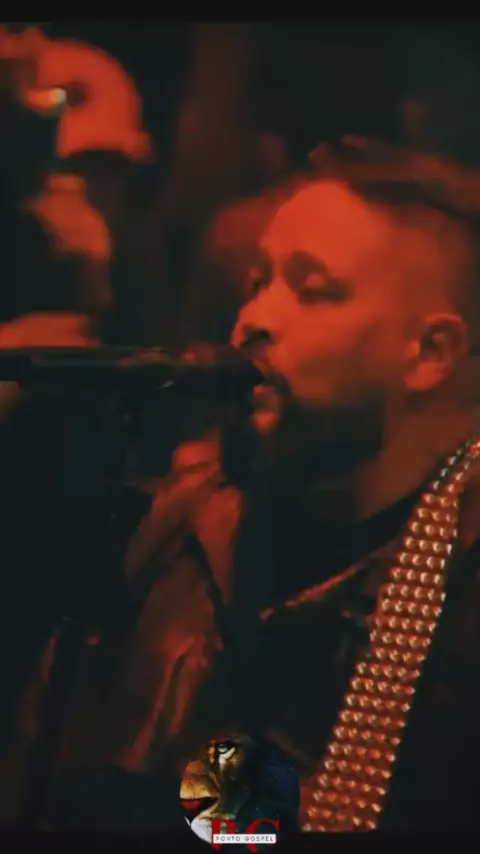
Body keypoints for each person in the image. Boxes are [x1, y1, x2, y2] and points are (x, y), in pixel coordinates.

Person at [48, 143, 480, 834]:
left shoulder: (458, 569)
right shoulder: (169, 522)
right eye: (258, 282)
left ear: (429, 354)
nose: (254, 318)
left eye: (313, 290)